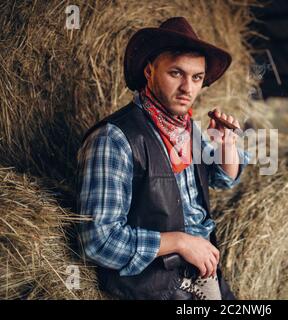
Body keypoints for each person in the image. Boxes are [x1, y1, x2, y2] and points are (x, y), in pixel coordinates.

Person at [76, 16, 250, 300]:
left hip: (203, 270)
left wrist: (226, 143)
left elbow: (222, 179)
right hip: (153, 284)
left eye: (197, 78)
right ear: (149, 71)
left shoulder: (186, 128)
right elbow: (98, 241)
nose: (188, 89)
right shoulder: (115, 138)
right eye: (176, 73)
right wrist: (180, 242)